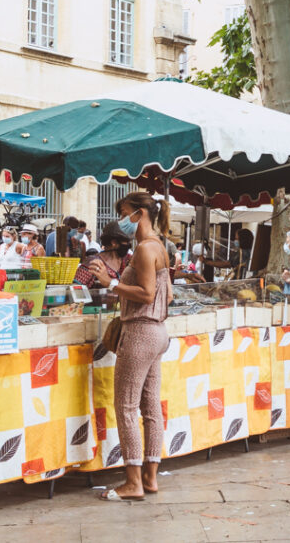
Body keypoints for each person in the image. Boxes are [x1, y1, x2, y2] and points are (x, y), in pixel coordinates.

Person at [87, 192, 172, 501]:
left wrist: (111, 283)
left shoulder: (144, 250)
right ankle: (150, 478)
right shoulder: (159, 247)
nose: (121, 220)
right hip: (158, 332)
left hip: (139, 333)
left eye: (124, 213)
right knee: (150, 409)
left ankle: (132, 482)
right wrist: (121, 288)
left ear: (139, 213)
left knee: (126, 407)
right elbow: (166, 296)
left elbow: (147, 294)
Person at [75, 222, 132, 288]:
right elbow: (76, 289)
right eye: (126, 241)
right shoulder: (93, 262)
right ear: (114, 243)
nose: (128, 245)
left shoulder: (127, 260)